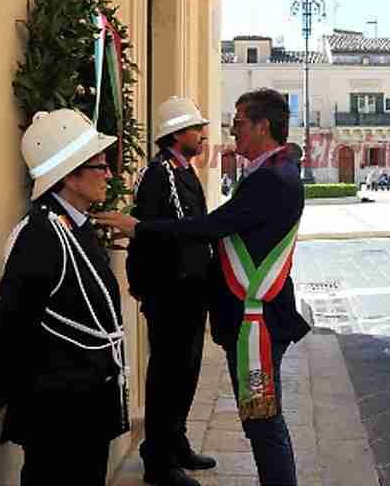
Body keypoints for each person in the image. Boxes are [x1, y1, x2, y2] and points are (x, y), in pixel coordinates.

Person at [95, 88, 310, 486]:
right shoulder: (264, 171)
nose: (230, 130)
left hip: (255, 318)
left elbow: (208, 226)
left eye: (240, 122)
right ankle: (163, 454)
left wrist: (138, 228)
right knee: (242, 412)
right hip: (192, 300)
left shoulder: (271, 177)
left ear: (263, 126)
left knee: (262, 421)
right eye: (199, 126)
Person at [0, 109, 128, 486]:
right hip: (59, 416)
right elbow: (10, 323)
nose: (109, 175)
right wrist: (6, 390)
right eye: (100, 165)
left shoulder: (71, 227)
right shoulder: (42, 236)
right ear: (70, 175)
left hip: (85, 410)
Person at [127, 97, 215, 486]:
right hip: (171, 294)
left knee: (186, 373)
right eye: (196, 128)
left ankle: (175, 442)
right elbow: (159, 236)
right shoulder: (160, 174)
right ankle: (158, 462)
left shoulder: (184, 171)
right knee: (167, 378)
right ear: (177, 133)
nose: (202, 134)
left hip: (190, 291)